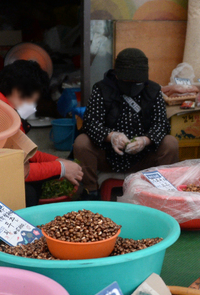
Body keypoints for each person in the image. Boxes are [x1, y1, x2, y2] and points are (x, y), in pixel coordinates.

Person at [75, 48, 179, 199]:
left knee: (170, 143)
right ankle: (91, 191)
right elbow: (90, 123)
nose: (132, 86)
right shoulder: (102, 89)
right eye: (127, 82)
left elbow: (162, 124)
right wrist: (111, 137)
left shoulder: (153, 90)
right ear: (117, 75)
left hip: (143, 156)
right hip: (108, 155)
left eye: (137, 82)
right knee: (81, 142)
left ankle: (163, 192)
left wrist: (145, 140)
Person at [0, 60, 83, 206]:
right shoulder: (0, 118)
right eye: (33, 101)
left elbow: (24, 152)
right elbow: (19, 171)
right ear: (18, 91)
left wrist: (57, 161)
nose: (33, 107)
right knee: (29, 191)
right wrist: (61, 168)